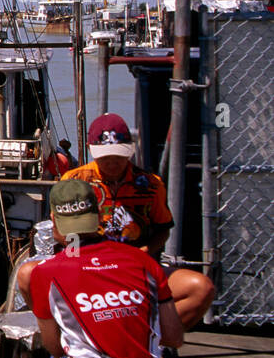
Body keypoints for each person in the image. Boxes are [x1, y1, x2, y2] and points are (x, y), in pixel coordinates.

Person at [0, 180, 184, 358]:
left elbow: (55, 349)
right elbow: (173, 336)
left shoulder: (45, 273)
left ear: (53, 220)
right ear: (99, 217)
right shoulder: (144, 261)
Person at [61, 112, 214, 330]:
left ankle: (154, 340)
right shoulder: (73, 183)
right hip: (88, 265)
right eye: (105, 158)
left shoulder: (151, 185)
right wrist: (77, 255)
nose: (113, 164)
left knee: (202, 288)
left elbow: (163, 229)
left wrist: (147, 249)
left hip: (134, 266)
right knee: (31, 275)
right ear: (90, 149)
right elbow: (61, 233)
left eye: (119, 157)